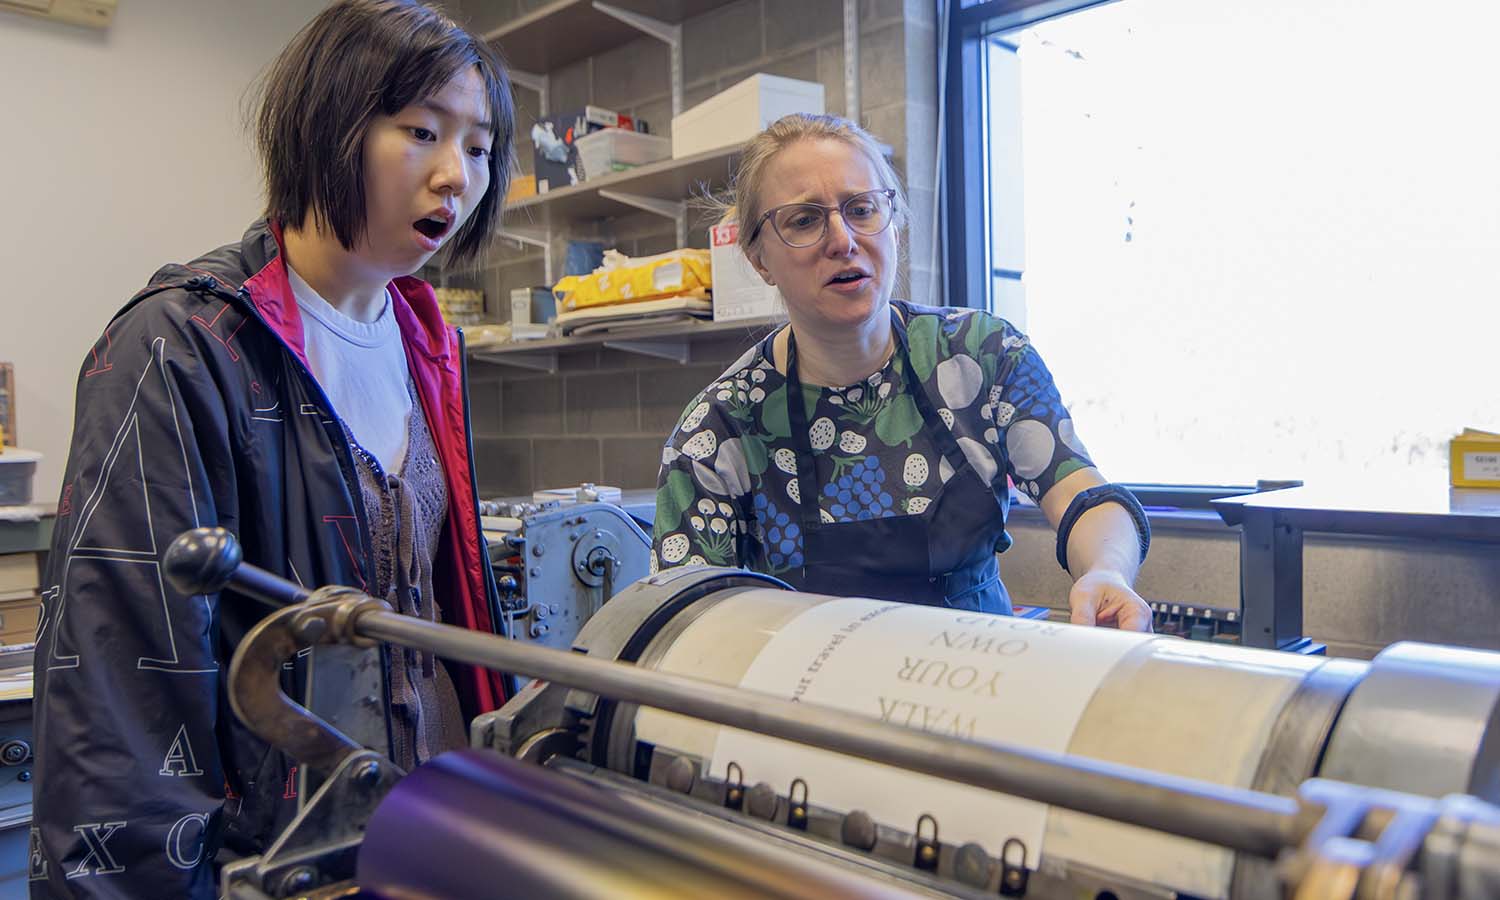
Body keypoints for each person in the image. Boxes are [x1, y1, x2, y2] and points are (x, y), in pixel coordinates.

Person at [29, 2, 514, 895]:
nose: (457, 176)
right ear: (328, 125)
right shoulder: (182, 345)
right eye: (422, 131)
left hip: (430, 828)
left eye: (479, 147)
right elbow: (119, 699)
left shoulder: (423, 342)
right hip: (278, 859)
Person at [651, 114, 1152, 628]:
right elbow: (685, 624)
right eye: (804, 220)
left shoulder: (981, 357)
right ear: (758, 258)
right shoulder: (720, 428)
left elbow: (1083, 494)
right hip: (801, 701)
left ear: (892, 223)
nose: (842, 240)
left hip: (978, 684)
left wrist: (1107, 572)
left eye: (861, 209)